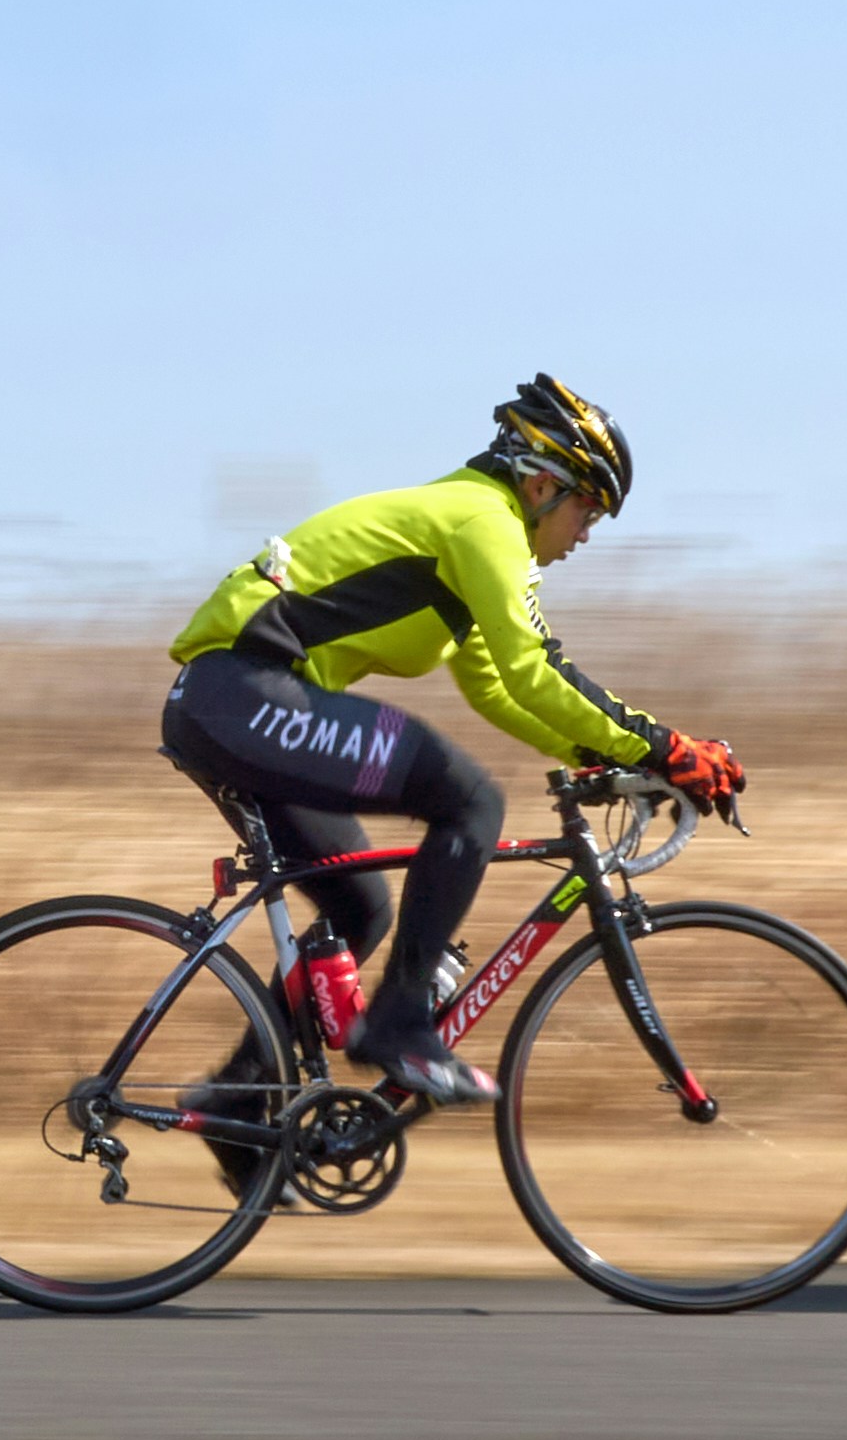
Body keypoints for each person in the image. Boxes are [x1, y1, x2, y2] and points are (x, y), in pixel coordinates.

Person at [156, 375, 742, 1110]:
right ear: (541, 487)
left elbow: (496, 685)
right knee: (468, 799)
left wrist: (601, 759)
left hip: (232, 704)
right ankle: (400, 1025)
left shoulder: (471, 528)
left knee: (361, 906)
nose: (587, 533)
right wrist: (662, 748)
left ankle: (240, 1105)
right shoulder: (482, 522)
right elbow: (536, 669)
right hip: (244, 694)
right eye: (588, 509)